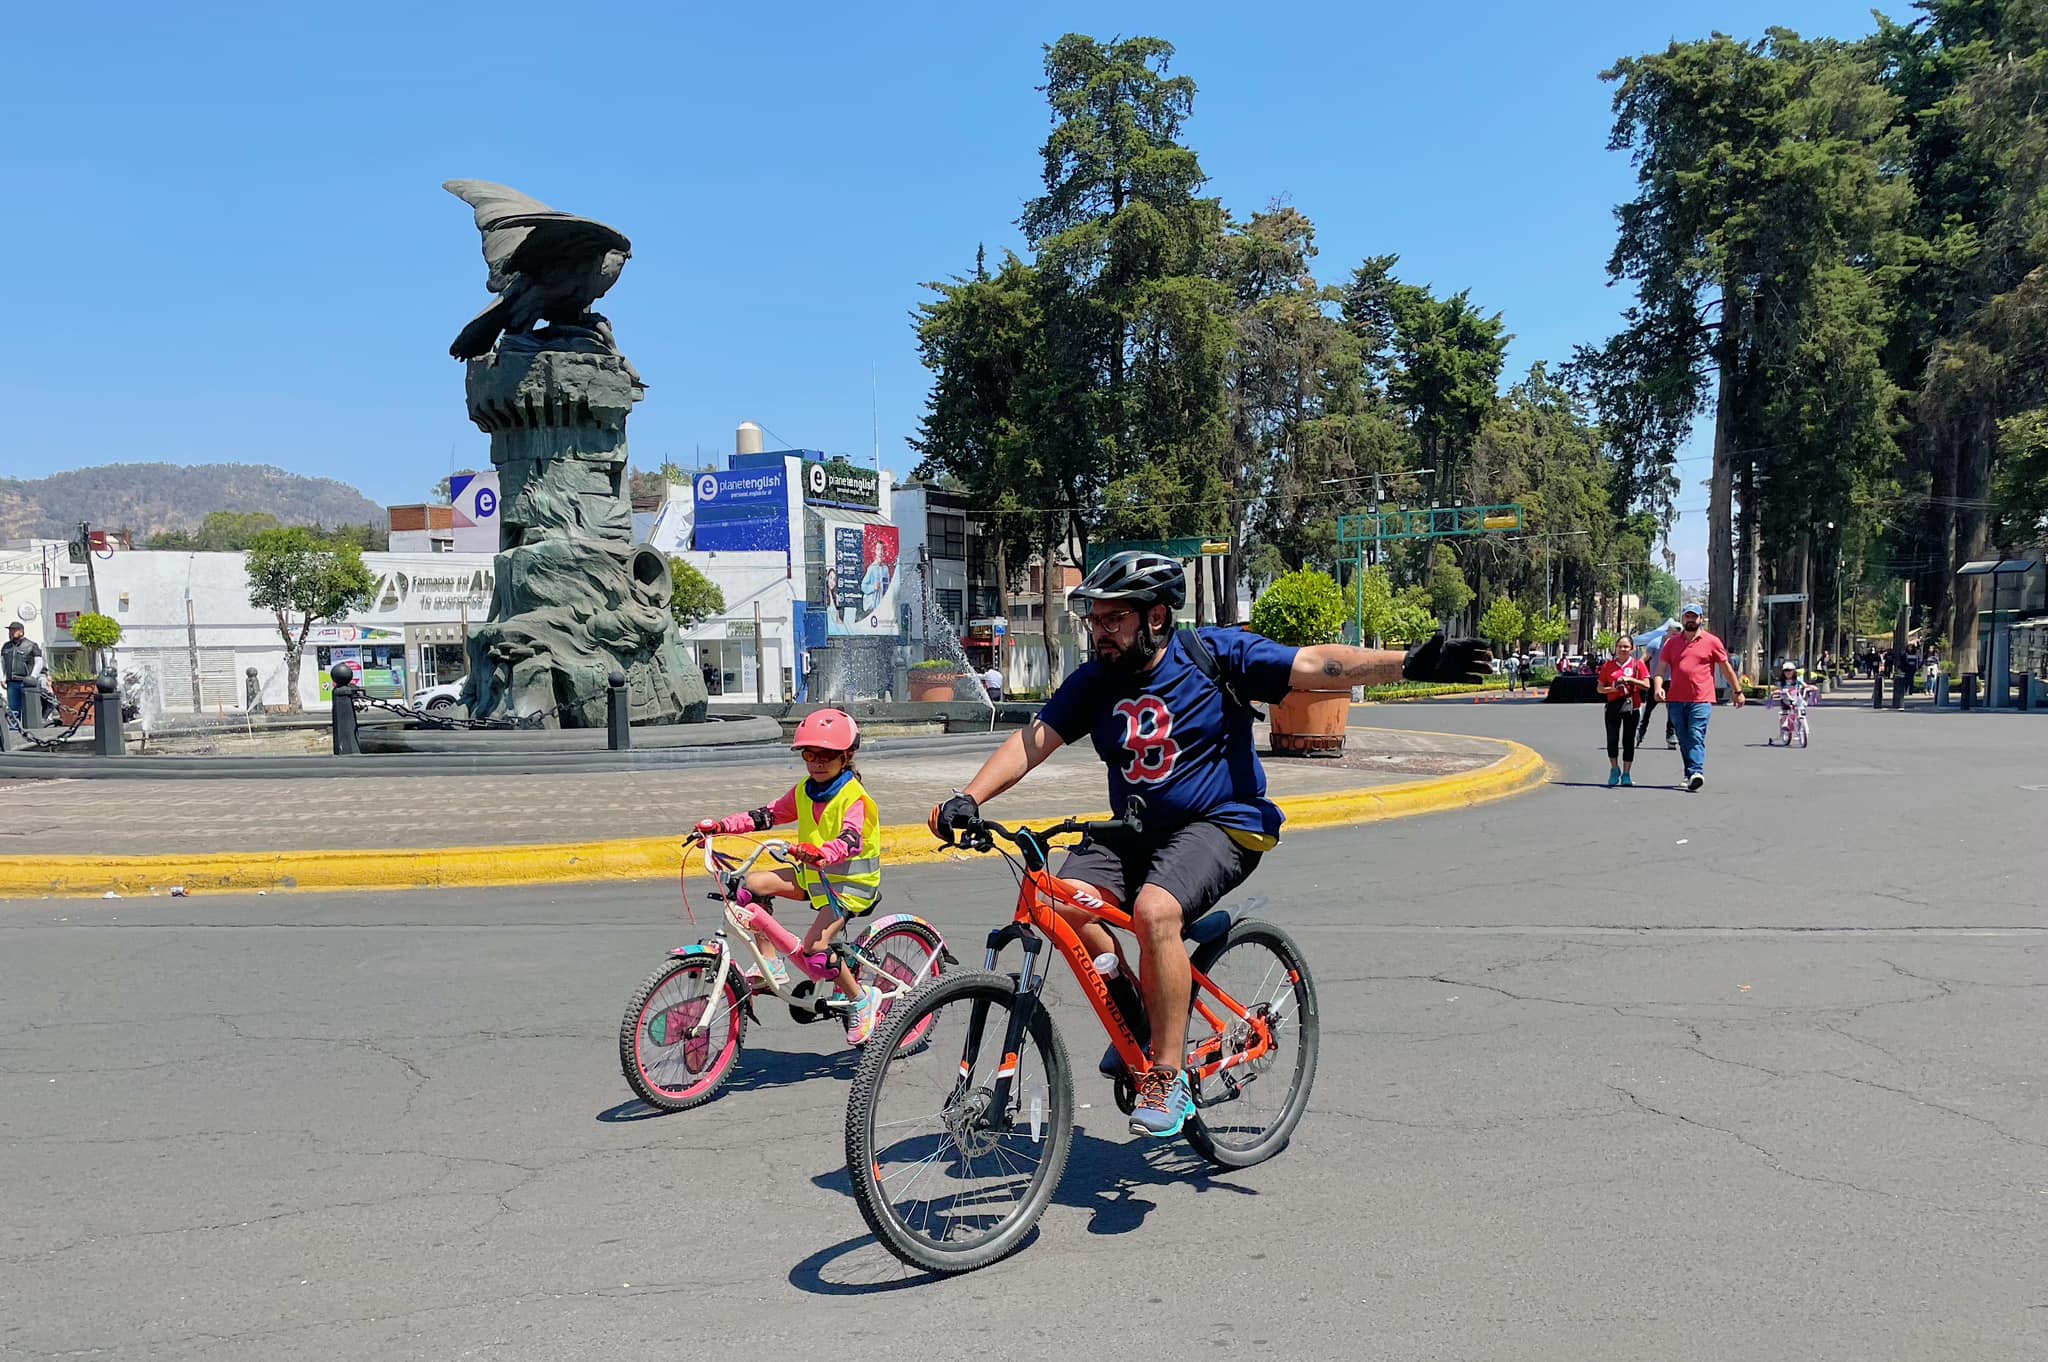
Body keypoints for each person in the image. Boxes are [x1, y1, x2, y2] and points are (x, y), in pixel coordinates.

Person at [930, 550, 1492, 1139]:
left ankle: (1166, 1077)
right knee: (1058, 900)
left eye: (1113, 619)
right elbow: (1034, 739)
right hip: (1137, 831)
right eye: (1094, 620)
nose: (1100, 632)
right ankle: (1140, 1017)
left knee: (1154, 912)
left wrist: (1410, 662)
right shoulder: (1096, 681)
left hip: (1222, 823)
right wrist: (969, 797)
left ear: (1155, 618)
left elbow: (1318, 663)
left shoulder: (1215, 653)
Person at [693, 708, 888, 1045]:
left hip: (849, 886)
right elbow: (767, 815)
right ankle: (772, 966)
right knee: (750, 886)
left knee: (814, 949)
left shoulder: (854, 797)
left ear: (847, 756)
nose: (818, 762)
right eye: (810, 754)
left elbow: (851, 838)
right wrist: (722, 826)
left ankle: (861, 998)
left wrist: (824, 852)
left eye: (828, 755)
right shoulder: (806, 790)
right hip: (813, 876)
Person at [1651, 603, 1744, 791]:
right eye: (1687, 616)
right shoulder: (1672, 643)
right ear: (1683, 619)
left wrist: (1737, 691)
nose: (1691, 620)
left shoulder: (1712, 641)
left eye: (1694, 616)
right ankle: (1690, 773)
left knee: (1695, 734)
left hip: (1701, 698)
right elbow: (1660, 669)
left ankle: (1696, 771)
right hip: (1675, 699)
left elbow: (1726, 668)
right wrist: (1658, 688)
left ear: (1701, 619)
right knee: (1683, 738)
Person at [1598, 635, 1651, 786]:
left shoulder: (1637, 665)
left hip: (1632, 707)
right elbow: (1600, 688)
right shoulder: (1608, 666)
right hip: (1613, 706)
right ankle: (1614, 769)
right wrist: (1614, 688)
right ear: (1616, 648)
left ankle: (1627, 774)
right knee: (1612, 739)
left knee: (1628, 740)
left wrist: (1630, 680)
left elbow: (1646, 685)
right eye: (1620, 646)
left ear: (1632, 649)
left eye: (1626, 647)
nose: (1623, 649)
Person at [1637, 620, 1680, 749]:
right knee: (1649, 708)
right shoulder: (1655, 643)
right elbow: (1642, 661)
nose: (1676, 637)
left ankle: (1670, 734)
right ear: (1667, 632)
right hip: (1656, 679)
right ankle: (1641, 730)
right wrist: (1643, 674)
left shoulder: (1680, 645)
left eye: (1678, 635)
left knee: (1672, 709)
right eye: (1673, 634)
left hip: (1672, 680)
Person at [3, 622, 45, 725]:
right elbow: (2, 662)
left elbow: (39, 662)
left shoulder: (31, 645)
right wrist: (2, 678)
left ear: (21, 631)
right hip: (12, 682)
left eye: (14, 630)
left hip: (26, 682)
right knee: (13, 709)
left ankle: (30, 729)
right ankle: (14, 730)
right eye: (10, 630)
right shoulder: (6, 646)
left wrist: (32, 677)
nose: (11, 632)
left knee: (29, 708)